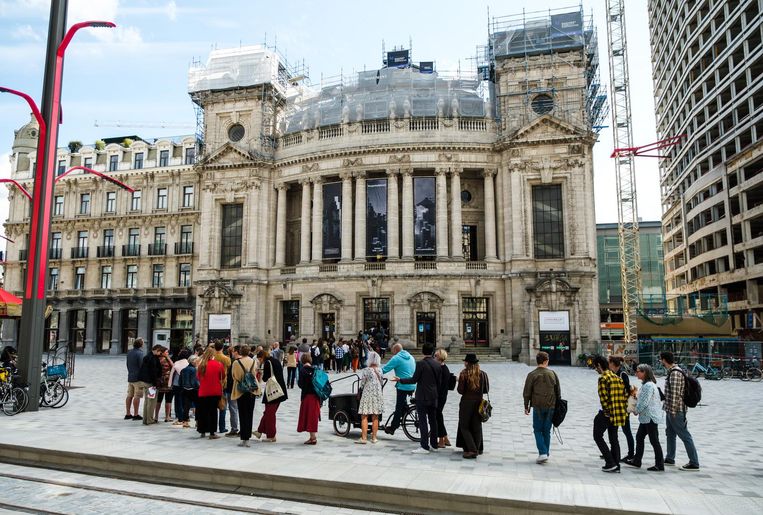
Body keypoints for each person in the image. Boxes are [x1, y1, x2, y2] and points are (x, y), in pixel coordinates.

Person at [398, 343, 442, 454]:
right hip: (434, 396)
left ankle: (424, 446)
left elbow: (414, 379)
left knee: (423, 421)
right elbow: (439, 383)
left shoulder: (421, 364)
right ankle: (434, 444)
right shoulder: (437, 365)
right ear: (432, 352)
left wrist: (400, 380)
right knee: (433, 421)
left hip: (422, 397)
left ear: (423, 351)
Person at [660, 351, 700, 470]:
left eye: (661, 359)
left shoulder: (675, 373)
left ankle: (694, 462)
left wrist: (672, 412)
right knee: (670, 434)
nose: (660, 361)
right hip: (670, 410)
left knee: (684, 435)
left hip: (676, 411)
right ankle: (670, 458)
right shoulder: (672, 372)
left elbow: (676, 395)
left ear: (664, 360)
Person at [623, 364, 665, 471]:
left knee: (654, 440)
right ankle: (637, 460)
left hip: (650, 417)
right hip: (647, 417)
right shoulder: (647, 384)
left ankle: (659, 464)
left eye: (638, 371)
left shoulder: (648, 386)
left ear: (644, 372)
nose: (636, 373)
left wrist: (636, 410)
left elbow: (644, 402)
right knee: (640, 437)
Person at [523, 351, 560, 464]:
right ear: (546, 361)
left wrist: (526, 406)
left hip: (538, 406)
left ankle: (543, 452)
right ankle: (546, 453)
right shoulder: (553, 373)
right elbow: (558, 391)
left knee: (537, 430)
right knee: (546, 431)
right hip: (551, 406)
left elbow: (527, 392)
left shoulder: (532, 374)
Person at [592, 355, 627, 473]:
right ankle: (616, 464)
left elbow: (604, 398)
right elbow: (624, 396)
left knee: (597, 436)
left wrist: (606, 412)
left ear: (599, 366)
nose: (596, 370)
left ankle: (610, 461)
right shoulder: (617, 378)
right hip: (617, 413)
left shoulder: (603, 378)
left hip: (607, 413)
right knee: (614, 438)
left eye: (595, 367)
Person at [456, 353, 488, 459]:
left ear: (467, 363)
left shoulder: (464, 373)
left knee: (464, 426)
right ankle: (478, 449)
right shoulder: (483, 374)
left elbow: (460, 391)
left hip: (466, 402)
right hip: (479, 402)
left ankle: (472, 450)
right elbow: (486, 389)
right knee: (477, 427)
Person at [254, 348, 288, 442]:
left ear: (262, 357)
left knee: (270, 414)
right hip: (280, 389)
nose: (259, 361)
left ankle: (271, 436)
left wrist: (261, 372)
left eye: (259, 359)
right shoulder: (276, 361)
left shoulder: (267, 363)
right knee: (268, 412)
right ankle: (260, 430)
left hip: (273, 391)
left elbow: (265, 378)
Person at [382, 343, 416, 436]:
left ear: (395, 350)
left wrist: (375, 371)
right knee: (402, 405)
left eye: (393, 351)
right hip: (412, 385)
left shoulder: (396, 358)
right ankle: (404, 413)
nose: (392, 353)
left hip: (403, 385)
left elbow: (385, 369)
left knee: (398, 407)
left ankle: (393, 427)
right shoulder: (411, 357)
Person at [196, 346, 225, 439]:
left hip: (203, 391)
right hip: (215, 391)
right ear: (213, 355)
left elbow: (198, 377)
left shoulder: (201, 365)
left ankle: (202, 431)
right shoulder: (219, 364)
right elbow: (223, 376)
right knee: (213, 412)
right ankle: (212, 433)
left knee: (203, 412)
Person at [231, 345, 257, 447]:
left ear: (240, 352)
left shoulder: (236, 363)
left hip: (241, 390)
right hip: (252, 390)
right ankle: (248, 437)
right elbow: (255, 374)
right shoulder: (253, 361)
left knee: (242, 414)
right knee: (250, 414)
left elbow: (234, 376)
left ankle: (244, 438)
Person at [356, 351, 384, 444]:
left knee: (364, 416)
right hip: (377, 394)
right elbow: (381, 382)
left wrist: (360, 390)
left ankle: (364, 438)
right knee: (375, 416)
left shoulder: (366, 370)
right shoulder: (380, 370)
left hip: (367, 394)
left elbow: (363, 383)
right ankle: (374, 438)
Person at [611, 356, 635, 461]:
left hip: (623, 407)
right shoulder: (613, 374)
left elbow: (627, 389)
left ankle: (631, 454)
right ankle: (613, 452)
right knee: (613, 431)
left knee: (627, 431)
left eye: (609, 363)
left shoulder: (622, 374)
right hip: (615, 406)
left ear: (613, 364)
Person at [297, 353, 321, 445]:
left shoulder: (302, 370)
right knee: (313, 417)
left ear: (302, 360)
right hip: (316, 396)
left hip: (307, 396)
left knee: (308, 416)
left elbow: (300, 384)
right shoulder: (316, 369)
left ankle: (313, 438)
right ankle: (312, 437)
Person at [137, 344, 163, 425]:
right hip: (150, 383)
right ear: (156, 350)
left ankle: (145, 419)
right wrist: (155, 383)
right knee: (151, 402)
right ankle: (149, 420)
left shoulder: (147, 356)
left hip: (145, 382)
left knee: (147, 402)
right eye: (160, 352)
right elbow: (153, 372)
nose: (160, 354)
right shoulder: (152, 358)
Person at [434, 348, 454, 449]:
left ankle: (441, 439)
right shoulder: (443, 368)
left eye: (435, 356)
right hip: (441, 396)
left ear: (440, 358)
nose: (434, 357)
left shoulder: (442, 369)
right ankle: (445, 438)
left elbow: (439, 385)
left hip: (439, 397)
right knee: (439, 416)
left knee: (438, 417)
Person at [169, 349, 191, 426]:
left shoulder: (176, 363)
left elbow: (172, 375)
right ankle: (186, 418)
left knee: (178, 401)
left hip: (177, 384)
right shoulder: (188, 363)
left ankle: (180, 418)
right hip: (186, 385)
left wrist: (169, 384)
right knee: (185, 402)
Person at [125, 338, 145, 420]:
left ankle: (128, 413)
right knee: (137, 395)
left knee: (129, 395)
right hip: (138, 378)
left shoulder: (129, 352)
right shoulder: (140, 353)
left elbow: (127, 364)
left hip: (130, 376)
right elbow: (142, 365)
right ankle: (136, 414)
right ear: (141, 345)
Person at [213, 341, 231, 436]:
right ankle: (222, 427)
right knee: (222, 406)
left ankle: (213, 427)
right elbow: (229, 367)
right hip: (222, 383)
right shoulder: (226, 358)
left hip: (212, 383)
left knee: (213, 407)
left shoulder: (212, 357)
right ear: (222, 347)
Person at [178, 355, 200, 428]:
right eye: (197, 361)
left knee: (186, 407)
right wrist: (199, 387)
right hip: (193, 390)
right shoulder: (194, 370)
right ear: (193, 361)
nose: (198, 362)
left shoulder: (183, 369)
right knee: (197, 406)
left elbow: (180, 381)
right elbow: (194, 381)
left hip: (184, 390)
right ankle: (197, 422)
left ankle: (185, 422)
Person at [224, 346, 241, 437]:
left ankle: (234, 429)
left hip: (233, 389)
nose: (233, 353)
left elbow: (231, 377)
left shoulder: (234, 362)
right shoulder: (248, 360)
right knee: (241, 409)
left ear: (237, 352)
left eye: (233, 351)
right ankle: (242, 428)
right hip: (243, 388)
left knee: (233, 409)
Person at [155, 346, 174, 422]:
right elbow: (173, 366)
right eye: (166, 352)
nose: (168, 353)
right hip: (167, 382)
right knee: (168, 400)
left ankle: (156, 416)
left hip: (159, 382)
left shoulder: (157, 359)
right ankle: (167, 417)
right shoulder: (165, 359)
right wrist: (168, 358)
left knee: (158, 400)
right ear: (162, 352)